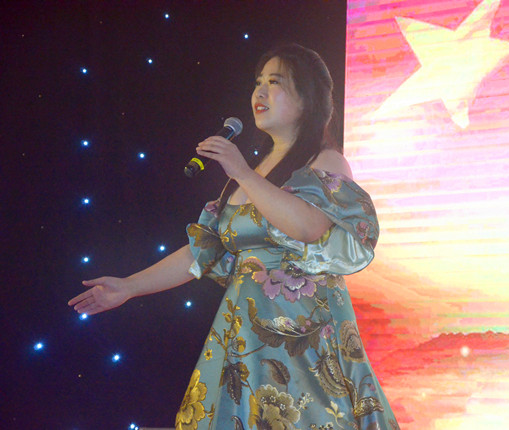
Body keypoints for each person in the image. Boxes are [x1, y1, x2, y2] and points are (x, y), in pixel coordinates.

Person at [69, 43, 399, 430]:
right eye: (258, 82)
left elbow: (308, 227)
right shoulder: (248, 174)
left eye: (275, 82)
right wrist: (129, 286)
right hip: (246, 335)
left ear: (308, 96)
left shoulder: (325, 161)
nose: (260, 91)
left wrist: (241, 171)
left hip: (303, 336)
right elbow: (200, 253)